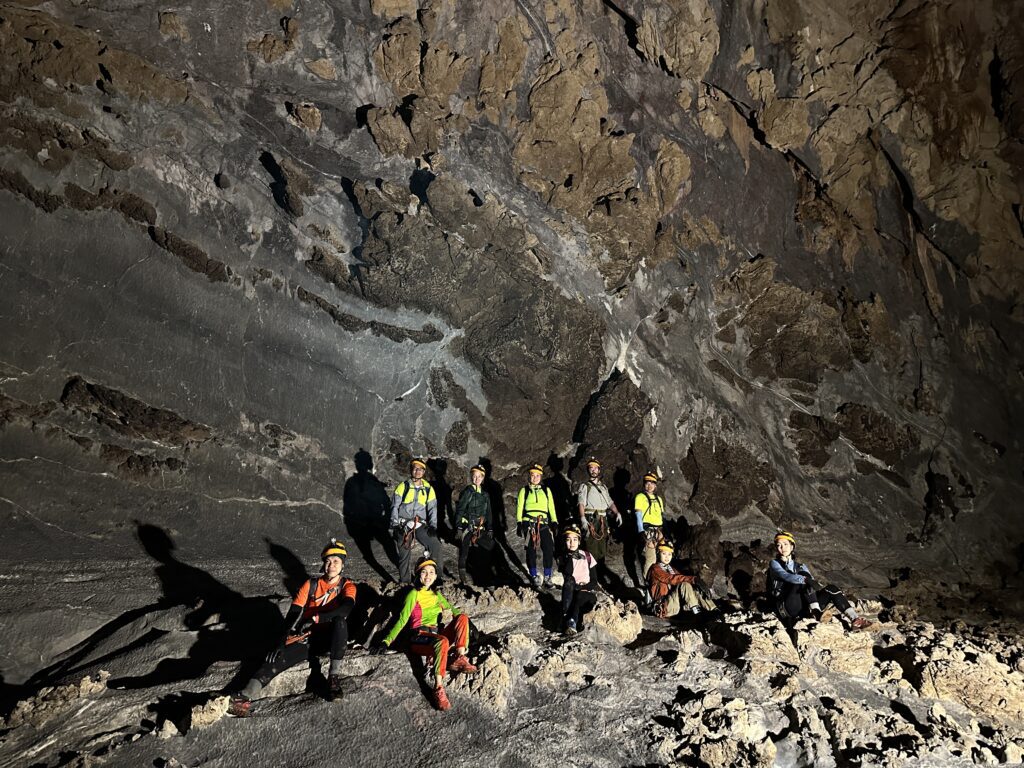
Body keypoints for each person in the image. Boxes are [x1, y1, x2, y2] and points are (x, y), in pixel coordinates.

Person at [227, 539, 357, 716]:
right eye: (328, 561)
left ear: (342, 565)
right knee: (276, 660)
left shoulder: (347, 586)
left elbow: (346, 608)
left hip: (331, 639)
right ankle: (244, 697)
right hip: (308, 638)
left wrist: (318, 618)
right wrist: (281, 641)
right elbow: (293, 614)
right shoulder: (311, 585)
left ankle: (333, 677)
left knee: (340, 622)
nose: (331, 565)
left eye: (336, 561)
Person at [373, 557, 477, 711]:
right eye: (424, 572)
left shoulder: (436, 595)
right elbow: (402, 620)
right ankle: (438, 688)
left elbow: (456, 613)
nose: (428, 576)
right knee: (442, 641)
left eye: (431, 572)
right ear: (418, 575)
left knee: (462, 618)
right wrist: (386, 641)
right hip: (419, 637)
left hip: (436, 635)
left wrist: (470, 625)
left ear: (435, 576)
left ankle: (459, 658)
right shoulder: (413, 594)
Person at [766, 531, 873, 631]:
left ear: (792, 546)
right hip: (787, 607)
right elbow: (785, 576)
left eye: (785, 544)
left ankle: (855, 620)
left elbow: (810, 582)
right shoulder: (774, 564)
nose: (782, 548)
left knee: (831, 589)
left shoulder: (801, 566)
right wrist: (805, 578)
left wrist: (811, 582)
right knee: (803, 578)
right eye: (779, 545)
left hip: (804, 606)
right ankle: (816, 613)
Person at [390, 458, 444, 584]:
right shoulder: (403, 487)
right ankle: (405, 582)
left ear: (423, 472)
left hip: (420, 524)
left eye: (420, 469)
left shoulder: (428, 489)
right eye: (415, 468)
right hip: (403, 524)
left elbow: (432, 508)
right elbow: (394, 506)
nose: (417, 471)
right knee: (404, 551)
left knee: (436, 545)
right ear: (411, 470)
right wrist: (395, 524)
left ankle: (437, 578)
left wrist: (433, 526)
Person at [576, 458, 621, 578]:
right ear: (588, 470)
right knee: (591, 549)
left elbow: (610, 502)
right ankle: (591, 576)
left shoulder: (604, 487)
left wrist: (617, 513)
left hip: (603, 520)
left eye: (595, 468)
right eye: (591, 468)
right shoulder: (585, 486)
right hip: (591, 519)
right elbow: (581, 503)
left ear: (599, 470)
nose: (593, 470)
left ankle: (599, 576)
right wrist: (582, 518)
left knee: (602, 549)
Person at [516, 463, 559, 588]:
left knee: (548, 548)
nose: (535, 478)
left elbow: (551, 507)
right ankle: (534, 576)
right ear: (529, 476)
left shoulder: (546, 490)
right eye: (532, 475)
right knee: (531, 550)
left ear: (541, 477)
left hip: (544, 522)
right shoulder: (524, 490)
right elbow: (520, 507)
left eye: (537, 475)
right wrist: (519, 523)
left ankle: (547, 576)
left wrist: (554, 521)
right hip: (529, 522)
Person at [646, 542, 716, 618]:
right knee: (684, 584)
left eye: (669, 554)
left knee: (696, 589)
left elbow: (680, 577)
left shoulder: (672, 569)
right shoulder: (655, 569)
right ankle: (697, 613)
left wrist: (699, 585)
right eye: (664, 554)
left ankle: (714, 610)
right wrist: (694, 579)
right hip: (664, 606)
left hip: (674, 603)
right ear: (658, 554)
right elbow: (671, 579)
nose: (667, 557)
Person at [454, 464, 493, 584]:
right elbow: (460, 509)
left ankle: (482, 576)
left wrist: (490, 528)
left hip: (480, 527)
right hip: (468, 525)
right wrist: (459, 527)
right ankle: (462, 577)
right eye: (474, 476)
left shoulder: (485, 495)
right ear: (472, 477)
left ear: (483, 478)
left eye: (479, 477)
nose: (477, 479)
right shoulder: (468, 491)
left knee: (489, 546)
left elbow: (488, 512)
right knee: (464, 549)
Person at [559, 524, 597, 635]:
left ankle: (570, 621)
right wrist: (570, 556)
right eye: (568, 540)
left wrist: (583, 587)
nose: (572, 543)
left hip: (586, 594)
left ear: (579, 541)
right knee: (570, 581)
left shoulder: (587, 556)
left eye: (575, 539)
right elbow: (568, 574)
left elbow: (594, 580)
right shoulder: (563, 558)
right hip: (571, 593)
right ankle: (568, 618)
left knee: (580, 596)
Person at [634, 471, 667, 581]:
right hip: (648, 531)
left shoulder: (659, 499)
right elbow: (638, 515)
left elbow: (661, 517)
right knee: (651, 558)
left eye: (652, 483)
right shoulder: (640, 497)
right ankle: (648, 582)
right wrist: (641, 531)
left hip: (658, 531)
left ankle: (659, 581)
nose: (650, 486)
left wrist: (663, 533)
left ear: (655, 485)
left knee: (661, 557)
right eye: (647, 483)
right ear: (644, 484)